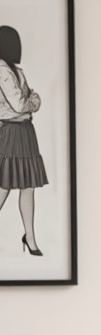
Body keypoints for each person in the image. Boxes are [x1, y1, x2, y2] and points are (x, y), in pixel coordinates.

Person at [0, 25, 47, 256]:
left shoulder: (15, 70)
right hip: (11, 130)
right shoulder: (1, 70)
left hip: (26, 131)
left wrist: (31, 102)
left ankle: (30, 237)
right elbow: (22, 103)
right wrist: (31, 102)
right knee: (4, 184)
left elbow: (32, 99)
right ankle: (29, 238)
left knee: (28, 186)